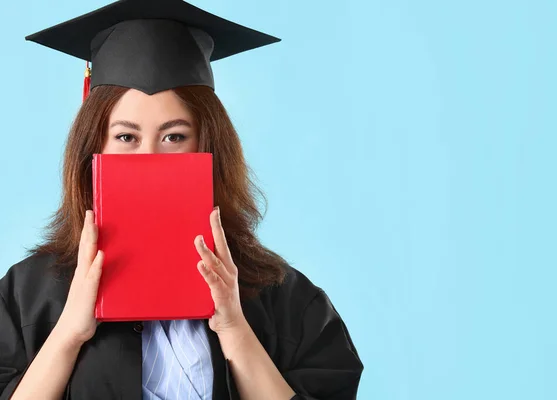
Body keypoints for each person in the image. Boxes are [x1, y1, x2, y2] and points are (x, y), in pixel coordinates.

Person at [0, 0, 363, 399]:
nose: (149, 159)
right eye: (126, 137)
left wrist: (234, 328)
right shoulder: (26, 293)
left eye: (174, 136)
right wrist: (69, 332)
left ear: (207, 146)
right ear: (93, 149)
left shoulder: (283, 296)